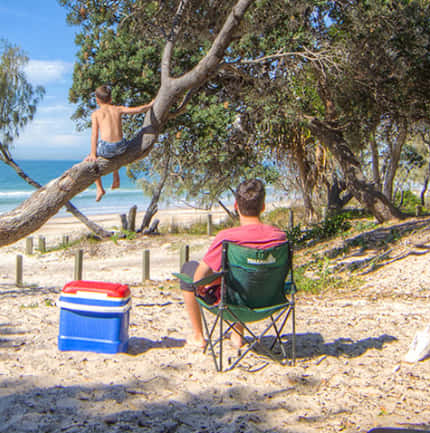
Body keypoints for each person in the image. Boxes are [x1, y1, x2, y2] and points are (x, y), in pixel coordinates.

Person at [177, 178, 288, 352]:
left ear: (236, 205)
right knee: (242, 274)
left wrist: (210, 282)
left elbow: (198, 279)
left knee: (190, 269)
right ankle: (237, 334)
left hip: (234, 302)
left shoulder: (227, 237)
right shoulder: (280, 237)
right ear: (263, 206)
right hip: (270, 300)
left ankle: (198, 336)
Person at [86, 84, 152, 202]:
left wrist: (92, 154)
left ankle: (99, 188)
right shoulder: (118, 109)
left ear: (97, 100)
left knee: (89, 161)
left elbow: (94, 135)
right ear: (111, 99)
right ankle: (116, 176)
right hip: (121, 147)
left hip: (107, 149)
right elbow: (138, 110)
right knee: (114, 151)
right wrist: (150, 105)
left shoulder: (96, 114)